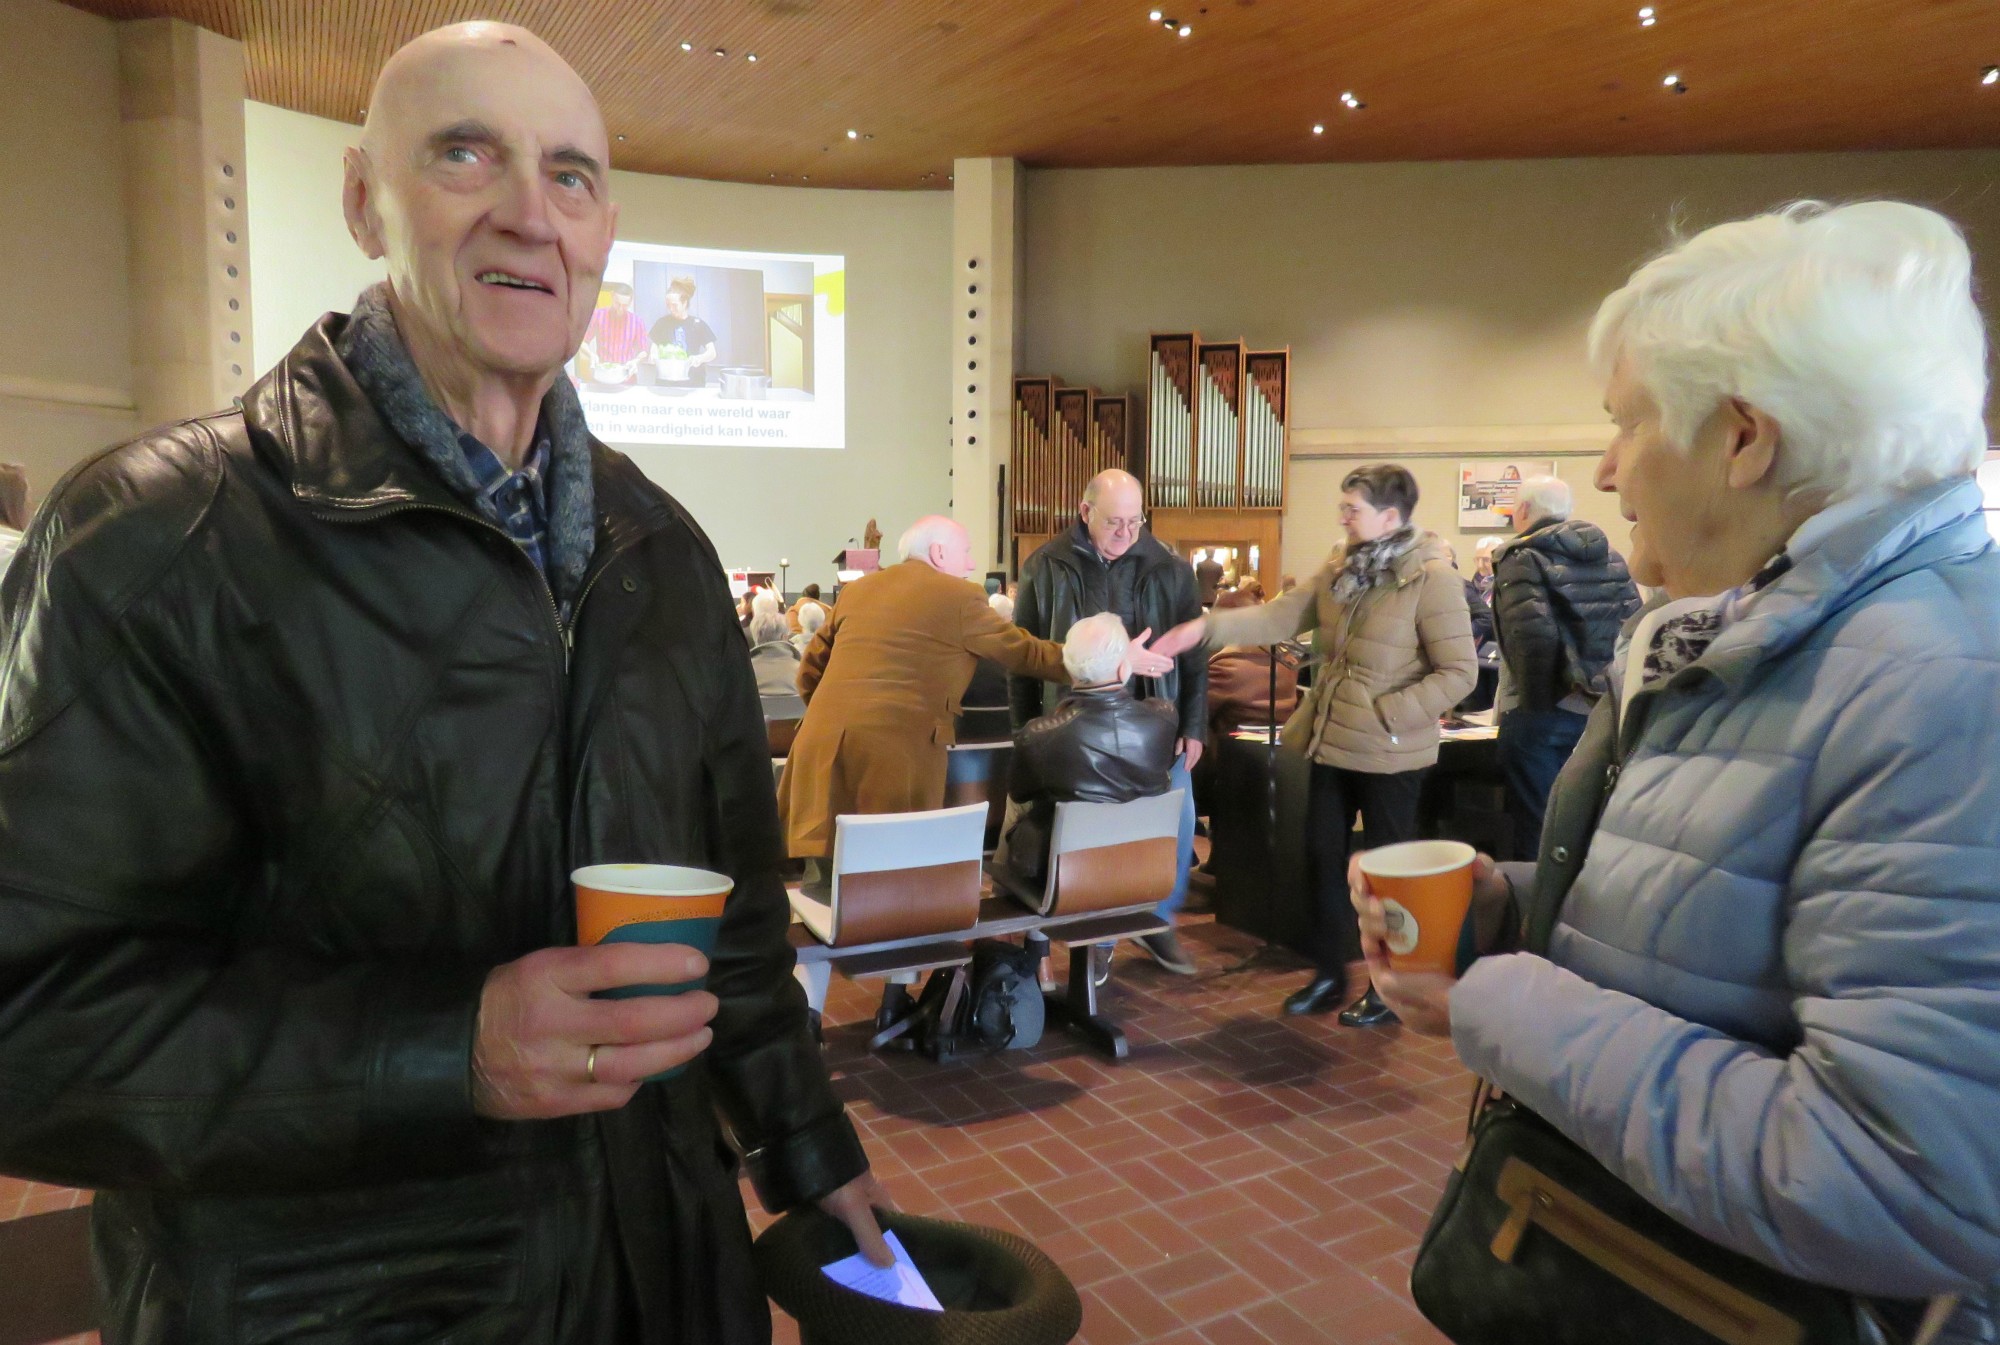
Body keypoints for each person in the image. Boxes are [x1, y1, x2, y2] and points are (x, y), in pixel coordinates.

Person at [0, 24, 891, 1345]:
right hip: (335, 1308)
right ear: (366, 200)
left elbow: (744, 933)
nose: (531, 214)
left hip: (666, 1279)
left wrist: (811, 1149)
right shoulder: (156, 541)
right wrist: (446, 1046)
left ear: (605, 236)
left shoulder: (664, 555)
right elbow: (30, 1021)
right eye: (468, 155)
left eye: (573, 176)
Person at [1356, 201, 2000, 1341]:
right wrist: (1510, 908)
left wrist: (1496, 1002)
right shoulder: (1763, 629)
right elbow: (1729, 914)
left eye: (1625, 424)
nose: (1605, 469)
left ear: (1743, 438)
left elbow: (1902, 1181)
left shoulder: (1942, 685)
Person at [1153, 464, 1474, 1022]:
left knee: (1386, 875)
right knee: (1322, 861)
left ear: (1391, 517)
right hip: (1330, 742)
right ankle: (1329, 973)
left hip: (1390, 753)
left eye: (1354, 508)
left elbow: (1459, 671)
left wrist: (1389, 713)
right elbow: (1279, 616)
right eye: (1343, 507)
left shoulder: (1430, 578)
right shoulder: (1338, 568)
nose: (1343, 517)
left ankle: (1388, 989)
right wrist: (1203, 629)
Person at [779, 516, 1169, 896]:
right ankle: (889, 958)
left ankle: (826, 953)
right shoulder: (960, 597)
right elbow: (1026, 653)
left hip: (819, 746)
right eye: (964, 552)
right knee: (887, 886)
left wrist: (839, 718)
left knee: (823, 884)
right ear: (937, 552)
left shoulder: (859, 591)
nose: (970, 564)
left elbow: (809, 671)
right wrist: (1107, 660)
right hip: (893, 760)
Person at [1012, 469, 1207, 975]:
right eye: (1114, 522)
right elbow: (1025, 658)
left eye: (1135, 521)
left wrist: (1194, 725)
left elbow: (1194, 656)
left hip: (1155, 722)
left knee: (1177, 823)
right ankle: (1091, 934)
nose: (1126, 533)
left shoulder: (1170, 568)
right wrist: (1024, 730)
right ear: (1084, 512)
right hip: (1075, 723)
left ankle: (1154, 921)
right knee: (1086, 833)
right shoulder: (1045, 566)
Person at [1490, 474, 1639, 857]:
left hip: (1542, 711)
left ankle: (1534, 912)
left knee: (1539, 829)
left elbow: (1532, 637)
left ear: (1522, 510)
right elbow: (1633, 627)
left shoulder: (1520, 557)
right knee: (1588, 822)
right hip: (1599, 710)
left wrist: (1533, 709)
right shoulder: (1611, 556)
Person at [991, 613, 1178, 903]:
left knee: (1016, 801)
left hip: (1062, 878)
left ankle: (1006, 905)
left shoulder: (1040, 734)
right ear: (1123, 667)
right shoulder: (1163, 718)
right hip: (1143, 871)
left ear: (1068, 666)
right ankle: (1103, 944)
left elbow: (1020, 790)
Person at [651, 275, 720, 386]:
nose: (671, 309)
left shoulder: (698, 324)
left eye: (674, 305)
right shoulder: (662, 323)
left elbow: (712, 353)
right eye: (668, 305)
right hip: (666, 380)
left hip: (692, 381)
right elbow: (654, 346)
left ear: (685, 303)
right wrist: (653, 355)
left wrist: (699, 358)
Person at [578, 279, 647, 379]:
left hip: (627, 375)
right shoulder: (598, 316)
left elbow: (643, 351)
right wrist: (591, 355)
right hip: (603, 372)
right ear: (612, 296)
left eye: (624, 306)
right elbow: (582, 342)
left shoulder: (637, 322)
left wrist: (635, 361)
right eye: (617, 303)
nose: (620, 309)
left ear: (630, 302)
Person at [749, 608, 805, 719]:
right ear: (784, 637)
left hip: (753, 735)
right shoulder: (803, 672)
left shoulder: (743, 674)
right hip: (795, 734)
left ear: (755, 637)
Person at [1471, 535, 1500, 604]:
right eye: (1477, 559)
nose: (1480, 565)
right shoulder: (1473, 585)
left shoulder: (1506, 586)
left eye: (1486, 560)